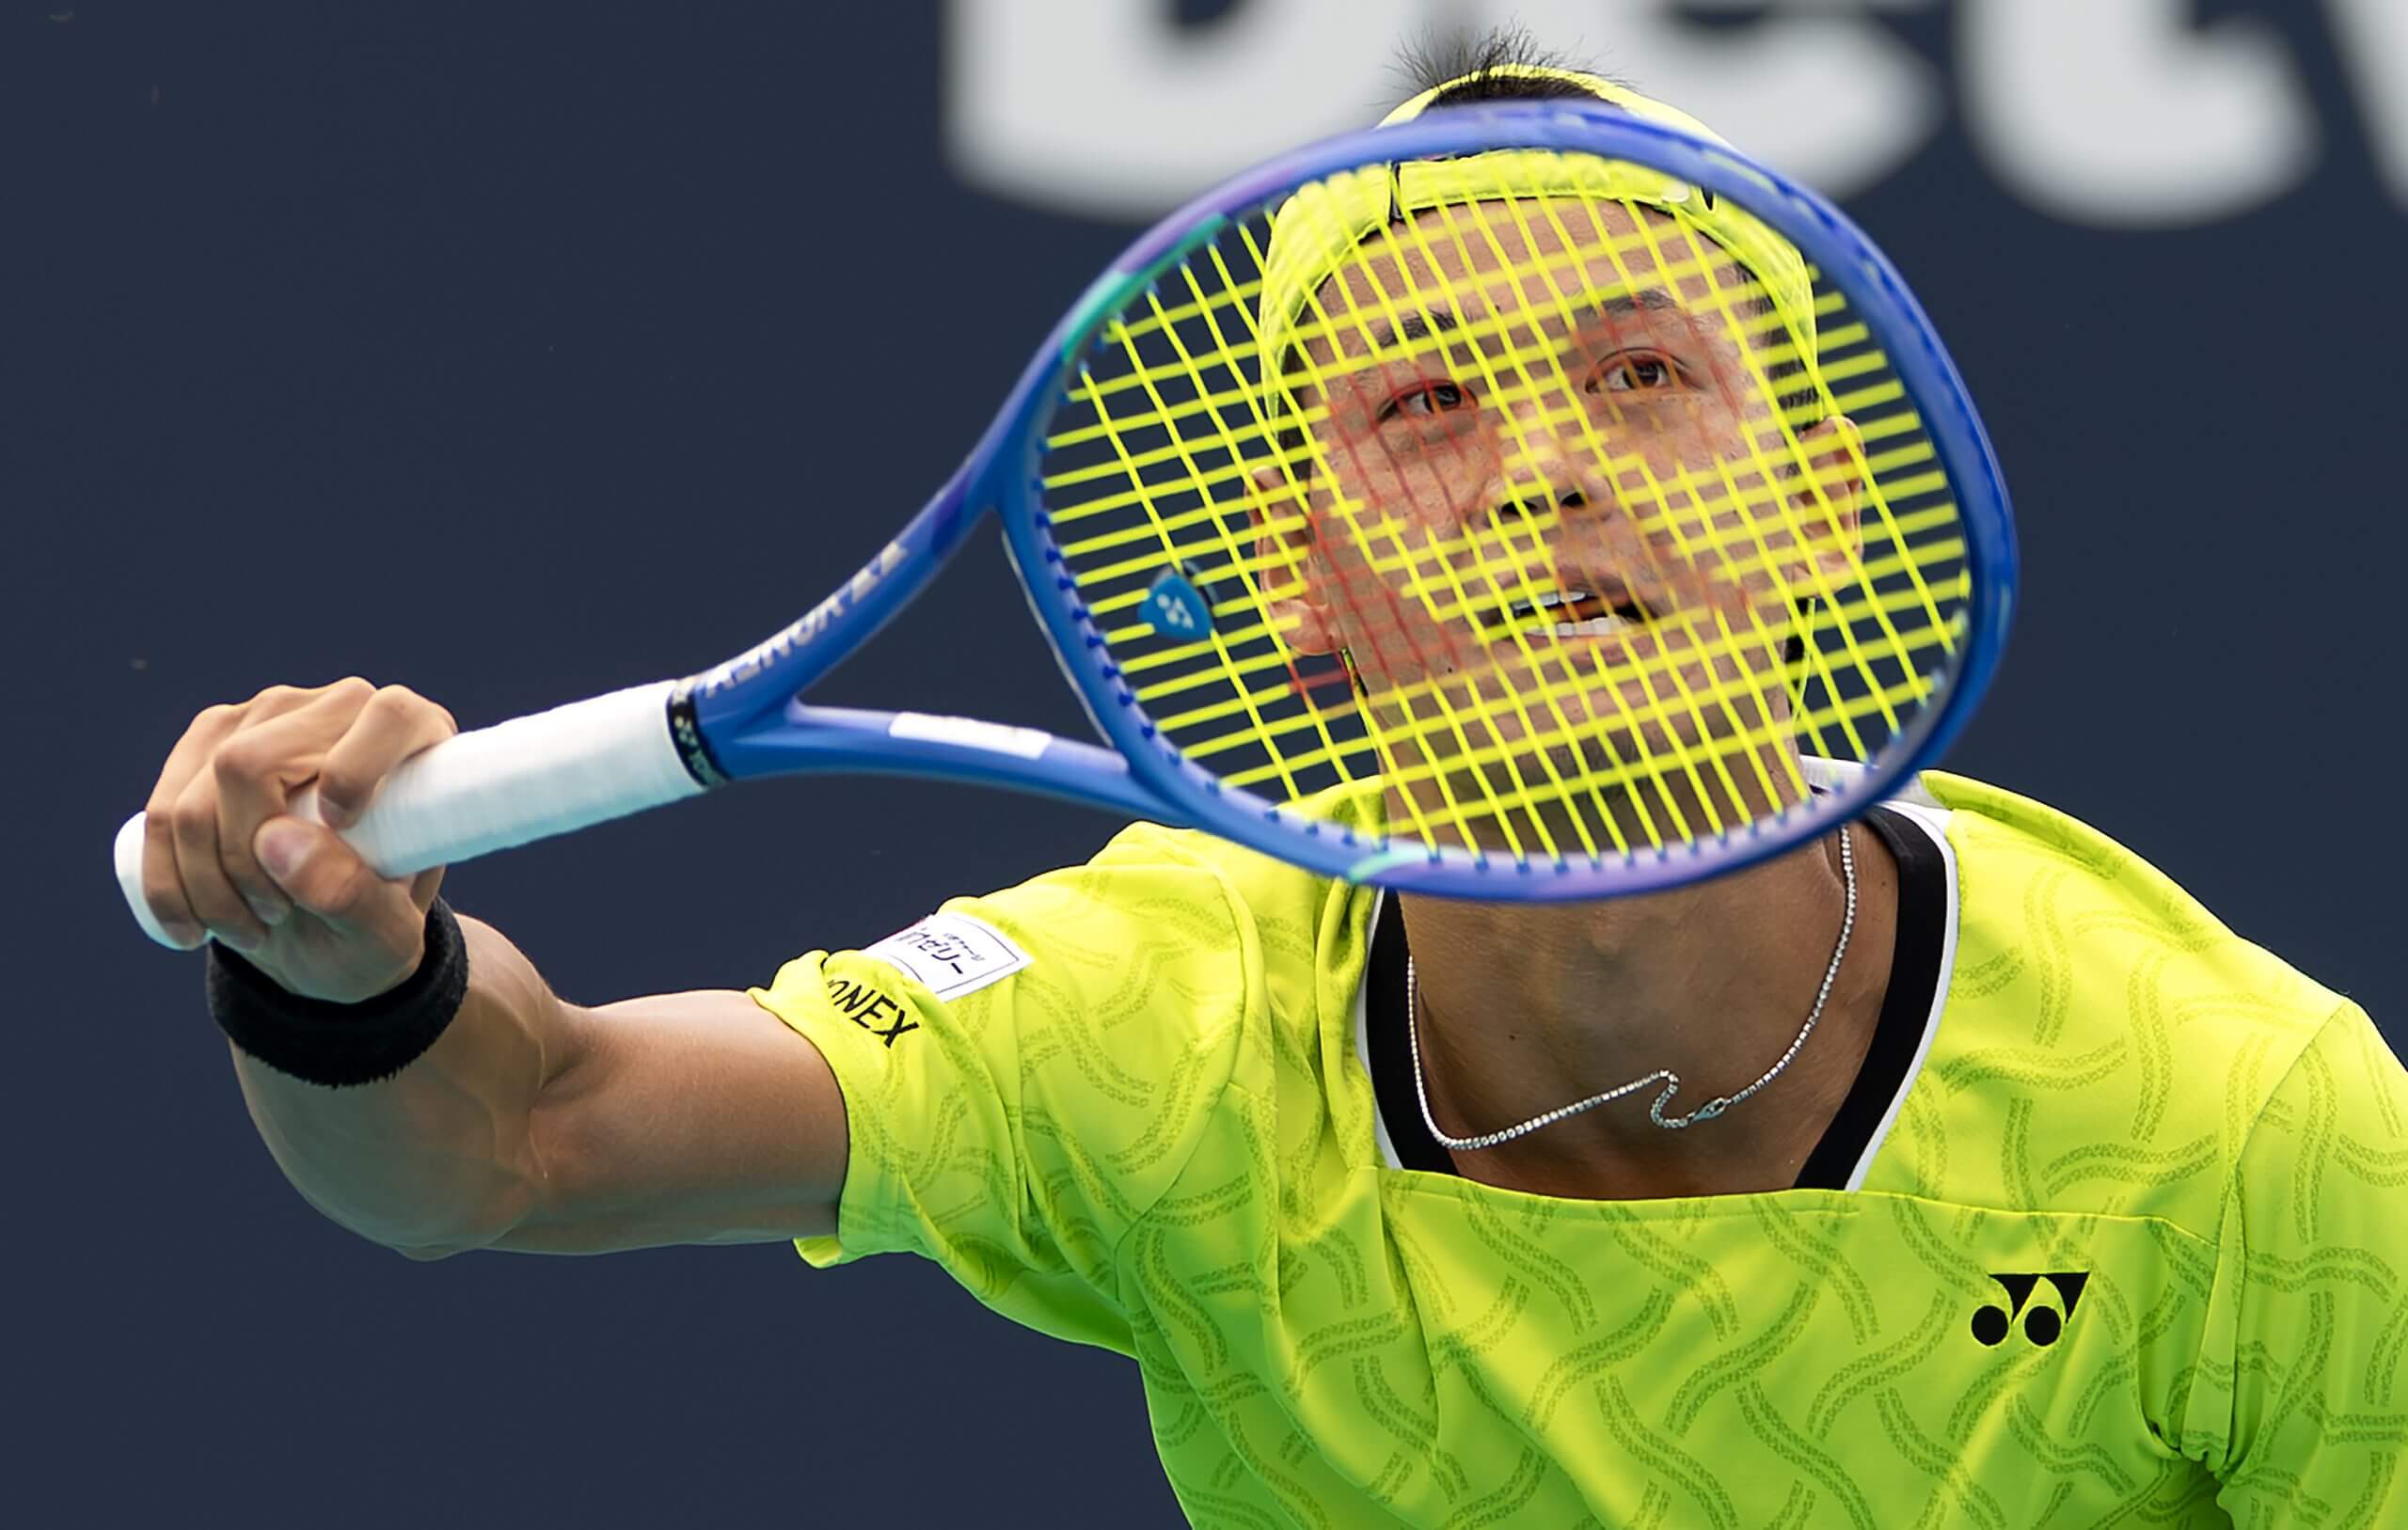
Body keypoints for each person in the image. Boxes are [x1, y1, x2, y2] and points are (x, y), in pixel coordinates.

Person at [137, 34, 2406, 1528]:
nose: (1540, 473)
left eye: (1641, 374)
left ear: (1823, 509)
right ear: (1293, 574)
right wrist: (347, 976)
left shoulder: (2244, 1129)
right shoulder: (1172, 1019)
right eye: (1424, 406)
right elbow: (510, 1146)